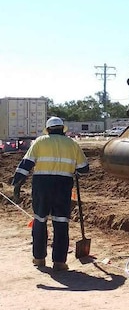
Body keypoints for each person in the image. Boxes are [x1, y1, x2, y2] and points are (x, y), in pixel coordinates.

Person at [9, 116, 89, 271]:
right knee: (60, 223)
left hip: (42, 186)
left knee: (40, 221)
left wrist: (17, 182)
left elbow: (26, 164)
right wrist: (75, 170)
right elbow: (84, 168)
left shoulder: (40, 142)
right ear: (62, 129)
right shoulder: (72, 144)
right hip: (63, 187)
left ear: (48, 130)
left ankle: (39, 259)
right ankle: (59, 262)